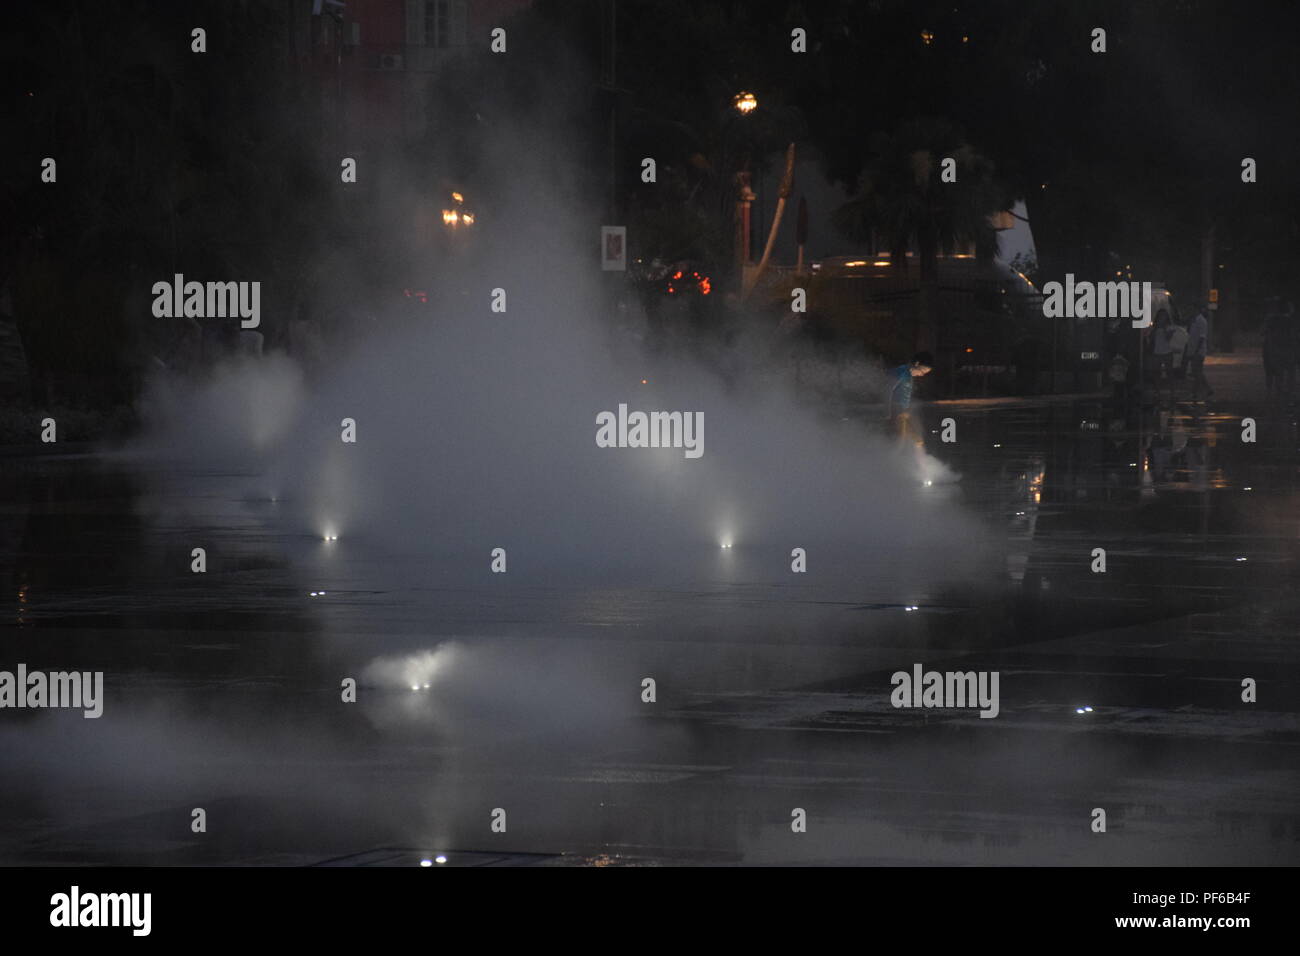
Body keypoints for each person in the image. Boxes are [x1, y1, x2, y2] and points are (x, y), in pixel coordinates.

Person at [888, 350, 933, 446]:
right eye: (922, 371)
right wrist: (893, 411)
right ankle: (895, 456)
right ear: (916, 364)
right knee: (900, 439)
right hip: (896, 411)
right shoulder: (902, 373)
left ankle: (913, 453)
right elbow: (888, 390)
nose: (922, 375)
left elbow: (904, 395)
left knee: (915, 439)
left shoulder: (906, 374)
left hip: (901, 411)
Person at [1186, 304, 1213, 400]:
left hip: (1198, 351)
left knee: (1197, 372)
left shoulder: (1201, 321)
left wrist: (1196, 350)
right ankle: (1204, 390)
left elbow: (1202, 337)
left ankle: (1197, 392)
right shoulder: (1194, 320)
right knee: (1197, 372)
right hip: (1194, 350)